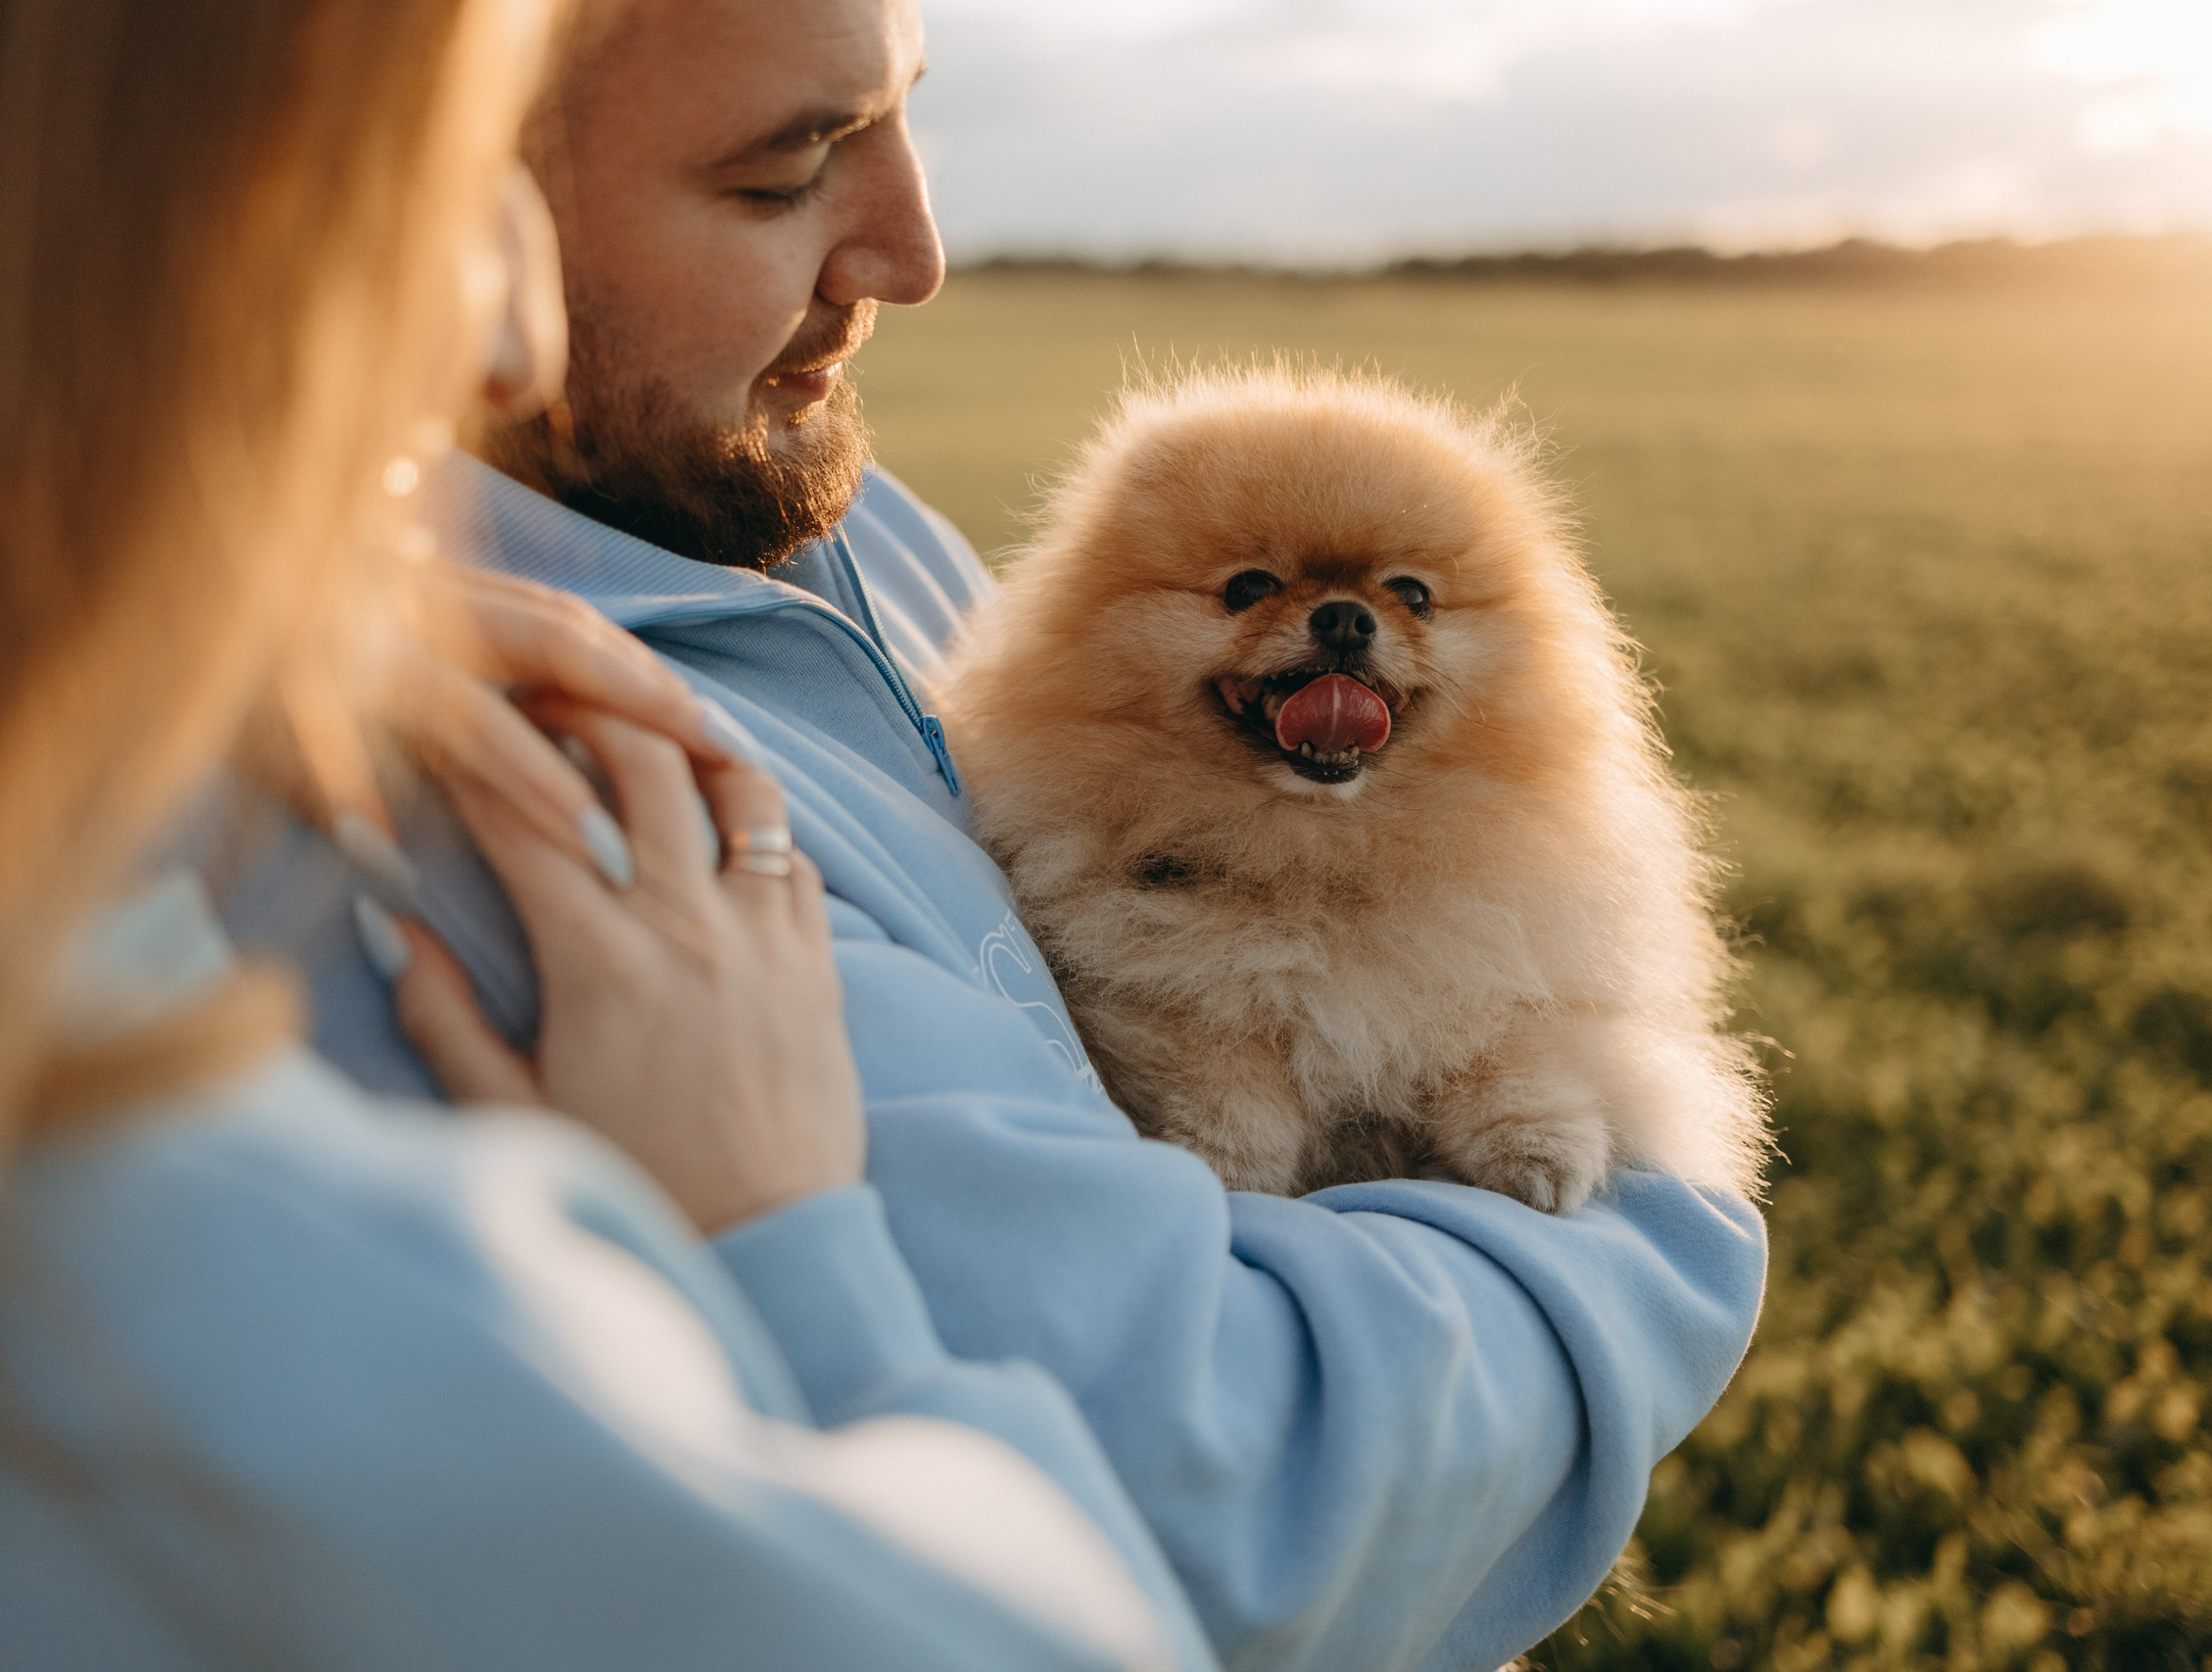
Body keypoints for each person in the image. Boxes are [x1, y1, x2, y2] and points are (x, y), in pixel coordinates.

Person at [217, 1, 1774, 1669]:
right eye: (788, 171)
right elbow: (1232, 1516)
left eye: (905, 119)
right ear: (428, 219)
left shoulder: (813, 506)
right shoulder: (546, 797)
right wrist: (1667, 1235)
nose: (915, 249)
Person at [0, 2, 1221, 1667]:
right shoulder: (174, 1289)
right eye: (419, 204)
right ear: (139, 271)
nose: (501, 347)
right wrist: (780, 1251)